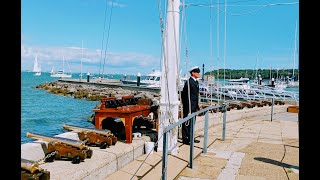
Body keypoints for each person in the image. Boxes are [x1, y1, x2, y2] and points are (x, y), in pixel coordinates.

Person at [181, 66, 201, 145]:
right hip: (188, 107)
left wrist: (196, 106)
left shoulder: (196, 82)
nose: (199, 74)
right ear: (193, 73)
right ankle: (185, 139)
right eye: (197, 72)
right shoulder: (189, 82)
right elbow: (184, 95)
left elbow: (195, 95)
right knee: (187, 122)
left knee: (192, 123)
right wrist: (187, 106)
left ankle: (191, 138)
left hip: (193, 106)